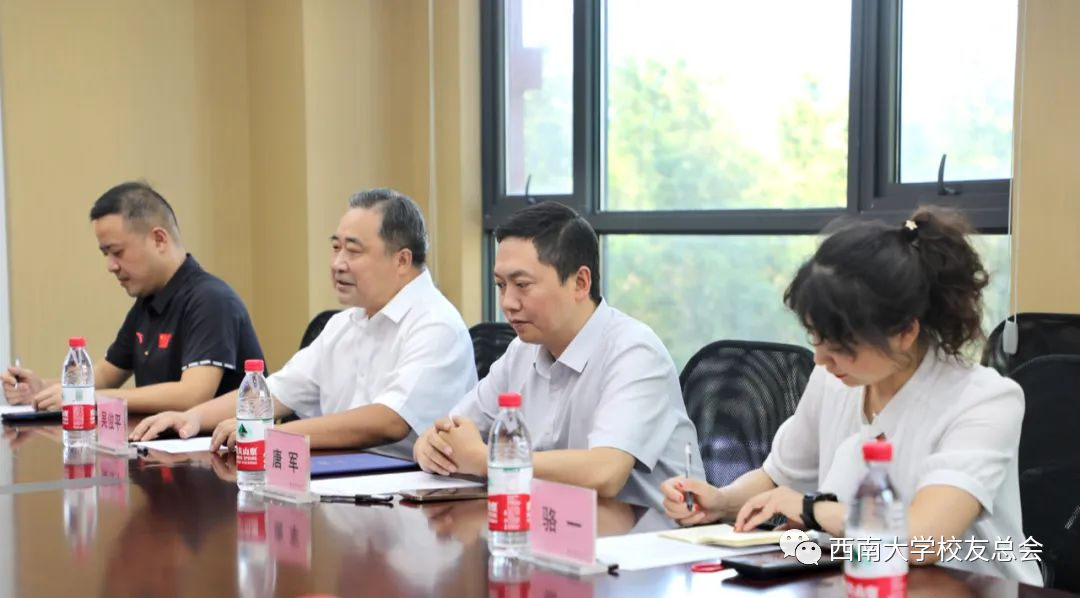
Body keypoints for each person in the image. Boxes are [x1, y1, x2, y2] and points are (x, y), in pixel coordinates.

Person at [660, 206, 1042, 585]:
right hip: (859, 582)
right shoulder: (834, 381)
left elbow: (924, 539)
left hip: (970, 589)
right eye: (815, 337)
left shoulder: (984, 399)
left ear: (905, 333)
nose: (821, 359)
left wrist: (813, 510)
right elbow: (778, 478)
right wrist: (720, 502)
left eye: (841, 346)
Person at [131, 188, 476, 459]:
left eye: (353, 251)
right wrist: (193, 418)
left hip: (417, 504)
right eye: (336, 248)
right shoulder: (345, 323)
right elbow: (276, 392)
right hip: (345, 484)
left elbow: (389, 420)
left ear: (402, 260)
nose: (338, 263)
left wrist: (274, 434)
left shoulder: (435, 324)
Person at [413, 201, 704, 512]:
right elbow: (449, 431)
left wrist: (488, 460)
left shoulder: (634, 352)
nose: (507, 303)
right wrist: (429, 448)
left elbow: (606, 471)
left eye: (522, 285)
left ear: (580, 283)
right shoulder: (521, 350)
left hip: (651, 534)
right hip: (556, 525)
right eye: (500, 285)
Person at [2, 182, 264, 413]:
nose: (111, 266)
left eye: (117, 252)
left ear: (159, 239)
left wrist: (88, 398)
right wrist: (42, 388)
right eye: (105, 254)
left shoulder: (211, 300)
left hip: (221, 451)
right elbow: (107, 374)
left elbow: (192, 395)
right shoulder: (148, 301)